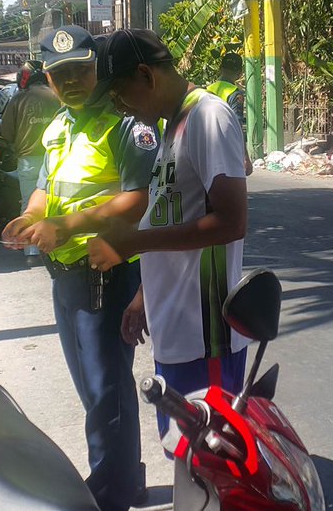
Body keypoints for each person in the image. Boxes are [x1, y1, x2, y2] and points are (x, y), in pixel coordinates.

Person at [0, 25, 155, 511]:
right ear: (47, 76)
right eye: (60, 73)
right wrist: (29, 217)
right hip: (66, 276)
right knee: (92, 390)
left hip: (104, 274)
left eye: (80, 70)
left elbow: (138, 199)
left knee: (106, 390)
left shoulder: (127, 124)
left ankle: (110, 495)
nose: (71, 81)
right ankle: (125, 476)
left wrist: (67, 226)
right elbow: (46, 186)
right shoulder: (60, 125)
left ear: (97, 69)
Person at [84, 28, 250, 441]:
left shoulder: (207, 116)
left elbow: (232, 222)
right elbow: (170, 218)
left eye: (120, 94)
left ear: (146, 75)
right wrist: (143, 297)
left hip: (206, 335)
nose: (121, 108)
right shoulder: (171, 127)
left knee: (211, 461)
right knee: (185, 457)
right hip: (176, 330)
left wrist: (131, 244)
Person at [0, 61, 61, 257]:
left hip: (27, 160)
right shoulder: (56, 95)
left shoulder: (19, 98)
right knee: (56, 200)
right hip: (55, 155)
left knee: (29, 203)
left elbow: (6, 132)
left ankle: (31, 252)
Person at [206, 52, 247, 135]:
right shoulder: (235, 94)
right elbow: (236, 125)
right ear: (239, 73)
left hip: (207, 138)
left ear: (220, 68)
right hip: (225, 140)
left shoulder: (206, 90)